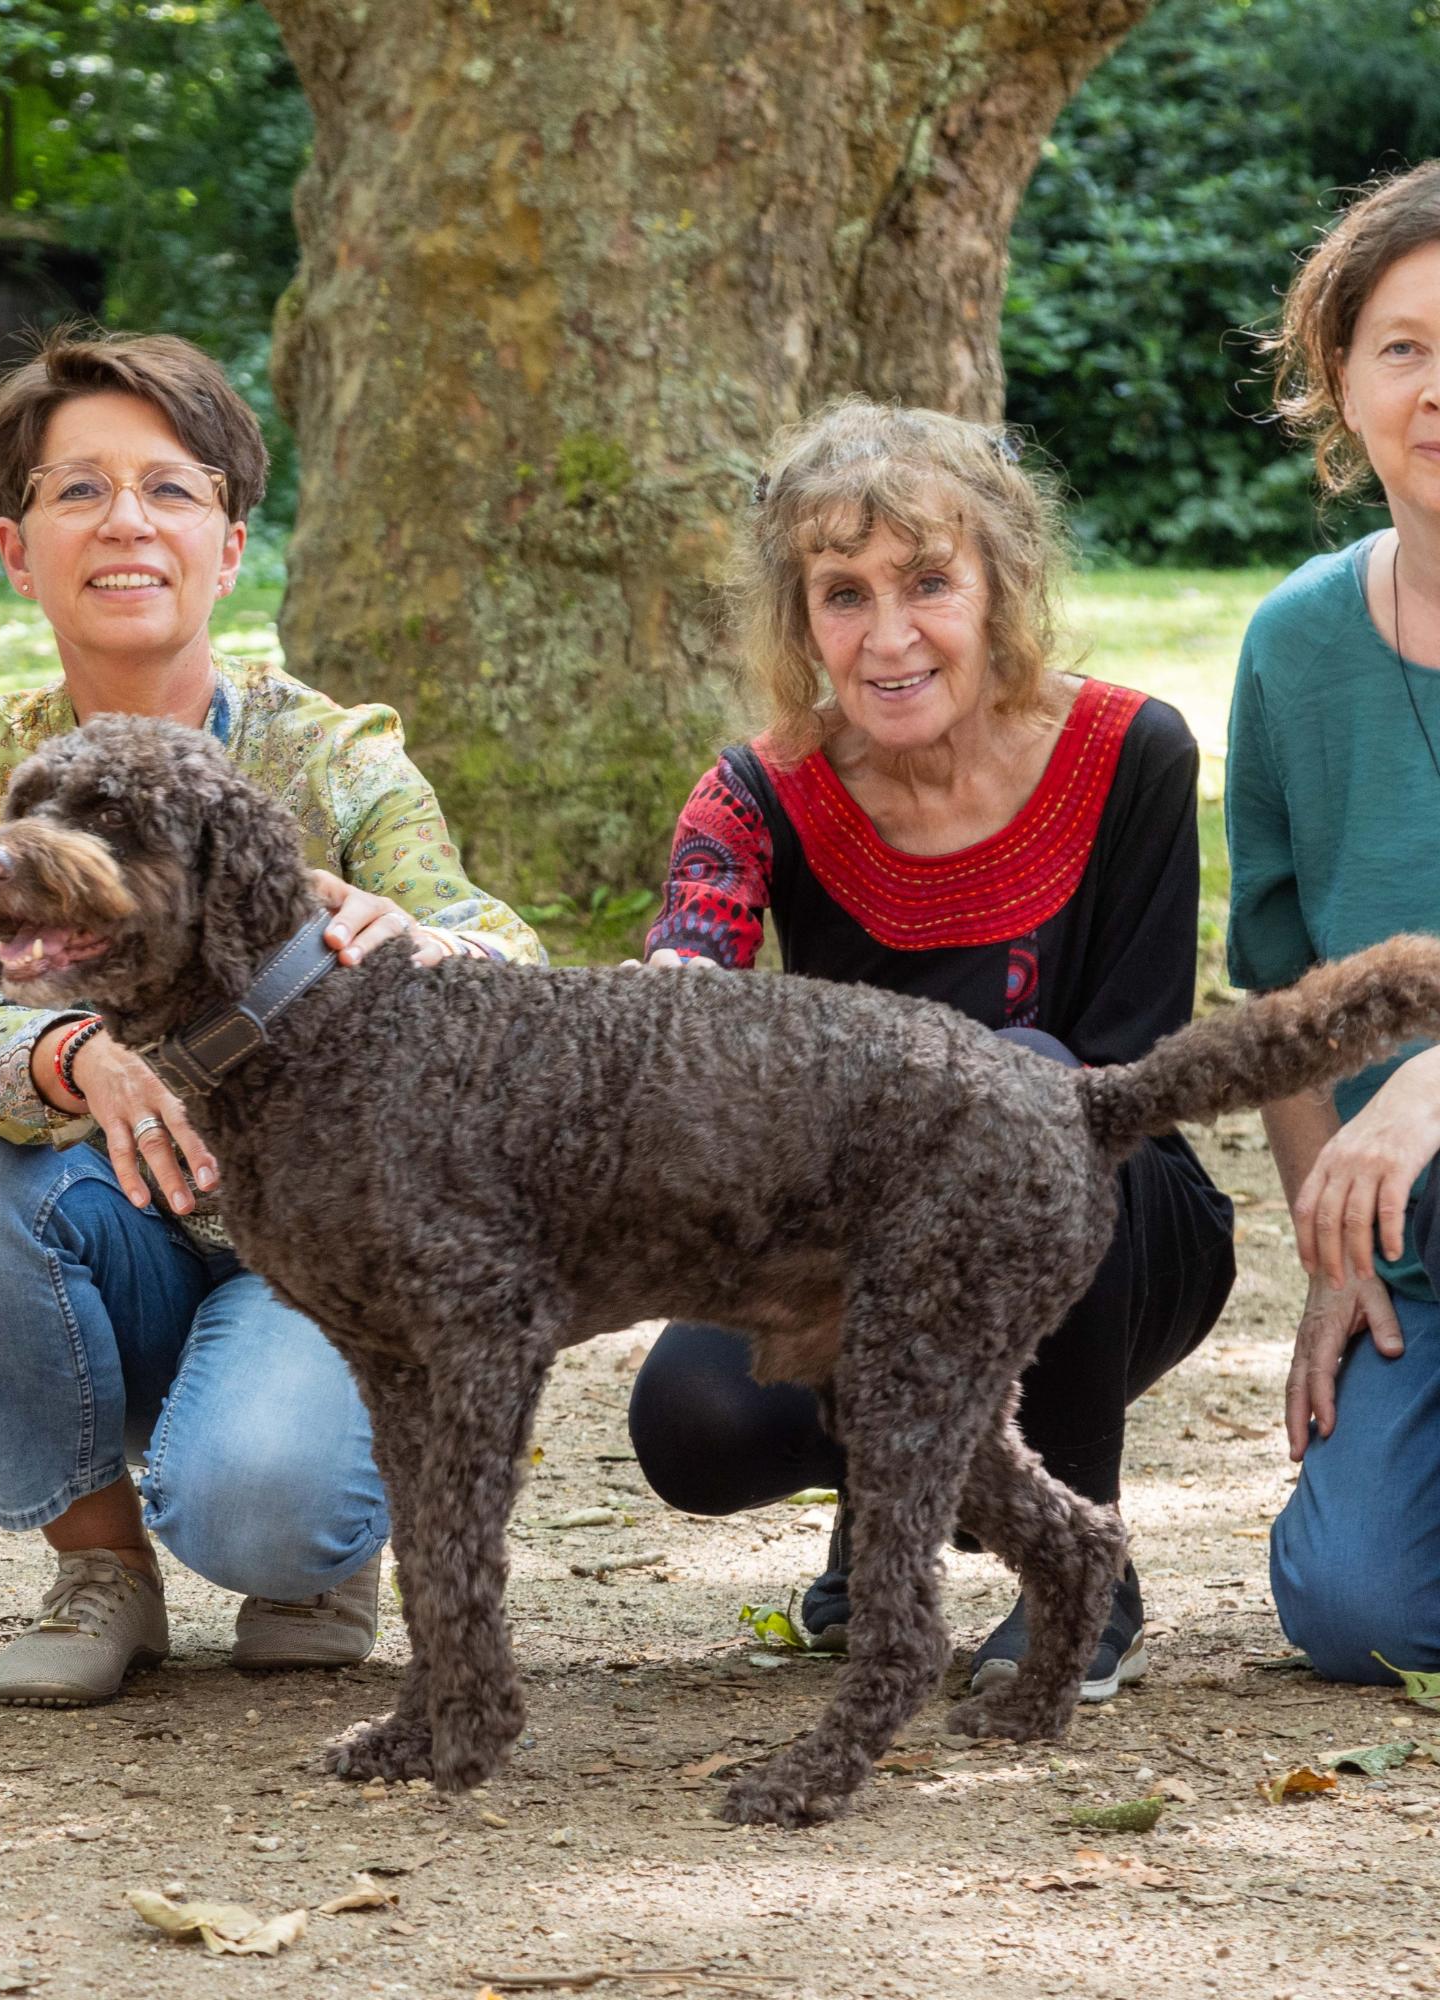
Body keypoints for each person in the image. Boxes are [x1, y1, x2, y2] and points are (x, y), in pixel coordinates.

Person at [0, 328, 541, 1707]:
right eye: (80, 491)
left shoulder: (335, 759)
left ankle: (314, 1537)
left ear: (229, 546)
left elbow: (507, 956)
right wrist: (71, 1053)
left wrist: (422, 941)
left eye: (172, 490)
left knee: (264, 1508)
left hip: (330, 1244)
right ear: (15, 545)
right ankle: (99, 1563)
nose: (127, 524)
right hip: (114, 1219)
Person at [627, 398, 1236, 1701]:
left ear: (1000, 587)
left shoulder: (1133, 752)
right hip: (862, 1234)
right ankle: (887, 1515)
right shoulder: (761, 788)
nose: (889, 636)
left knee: (1025, 1091)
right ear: (802, 622)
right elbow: (694, 955)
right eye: (843, 593)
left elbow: (1126, 1071)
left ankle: (1080, 1570)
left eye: (928, 583)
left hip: (1117, 1218)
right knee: (697, 1419)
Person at [1233, 162, 1440, 1679]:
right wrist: (1335, 1262)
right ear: (1342, 382)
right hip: (1418, 1240)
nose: (1439, 388)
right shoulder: (1295, 646)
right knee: (1357, 1609)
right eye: (1405, 346)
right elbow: (1286, 998)